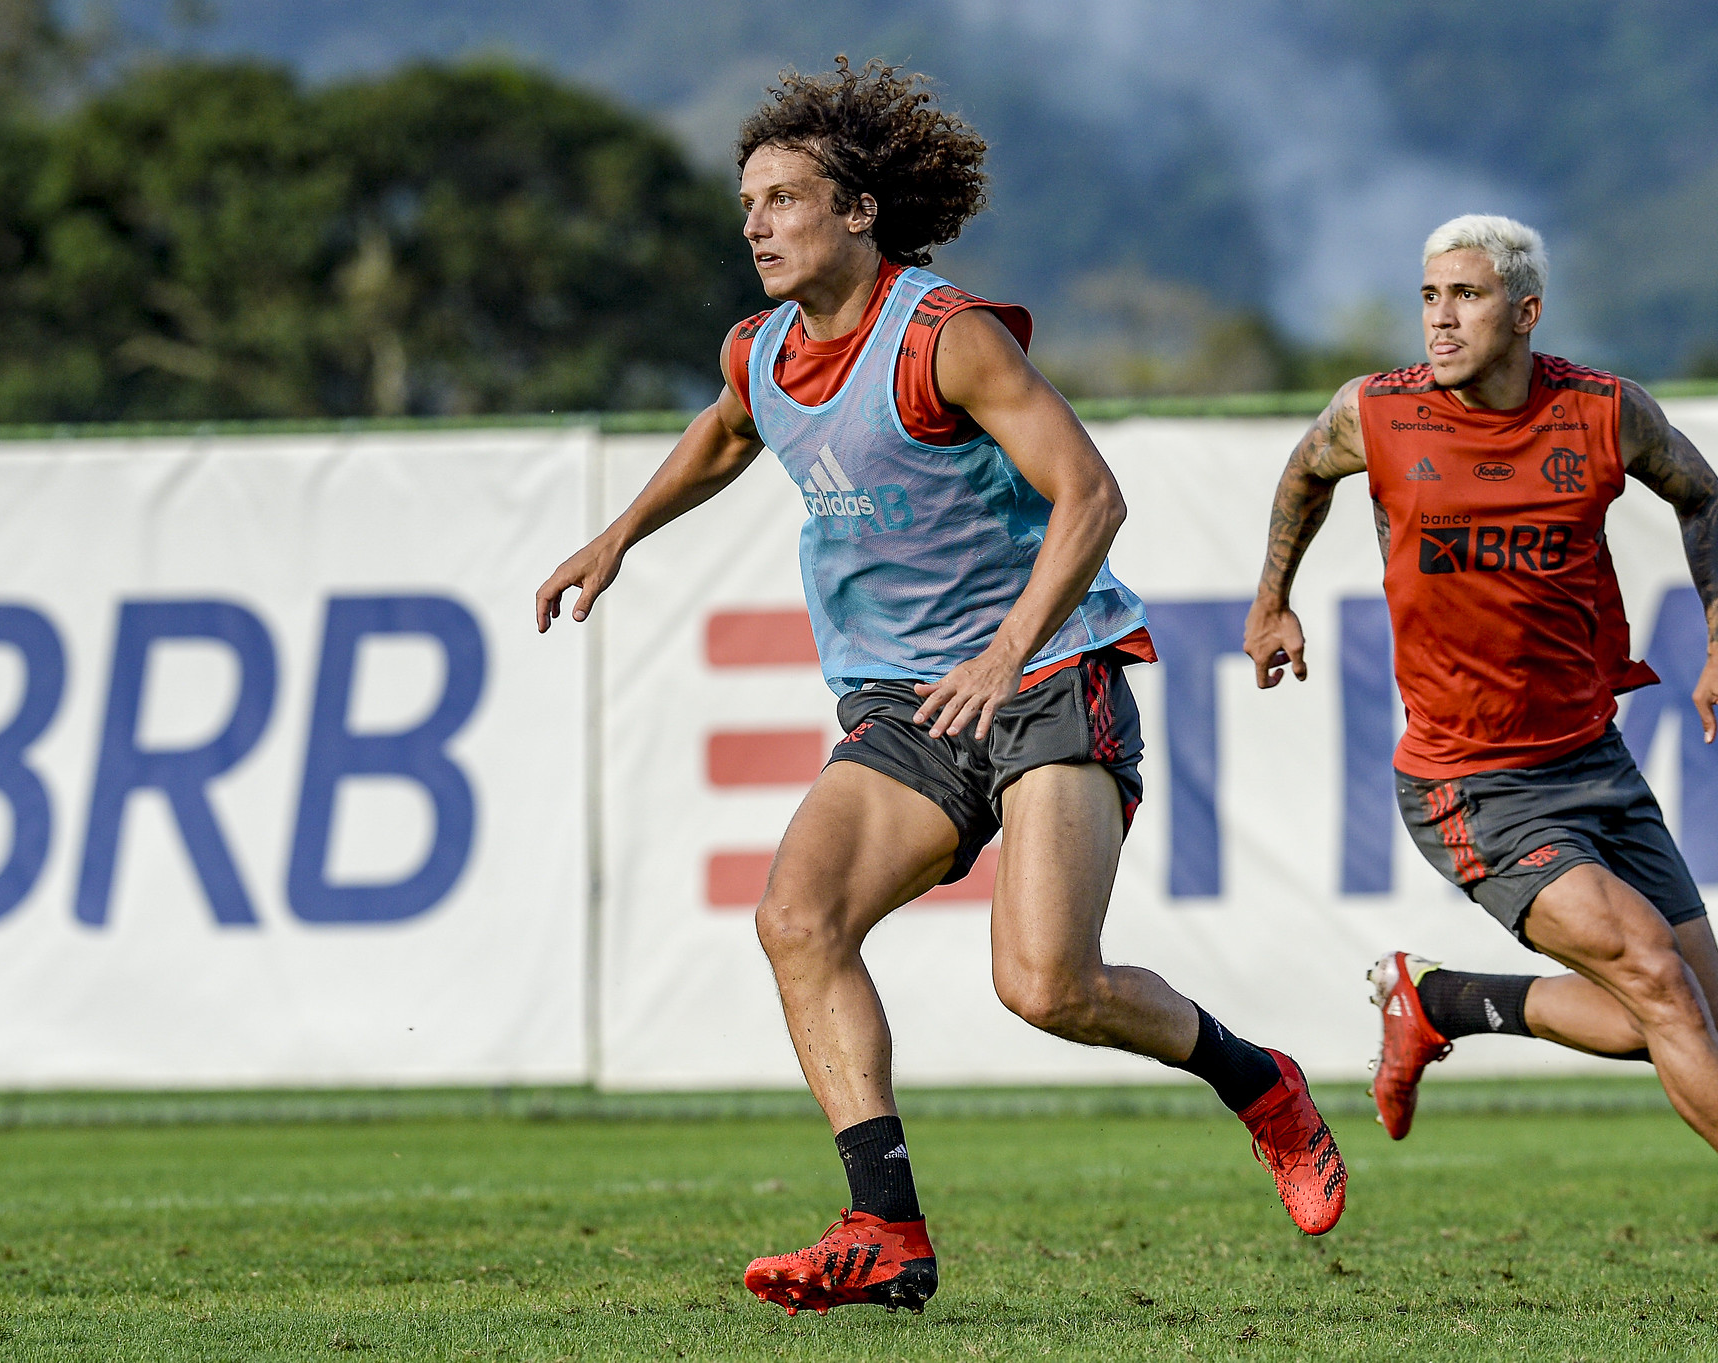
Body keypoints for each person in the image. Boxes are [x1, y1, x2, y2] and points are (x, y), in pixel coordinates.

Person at [536, 57, 1347, 1318]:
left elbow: (1092, 495)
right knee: (797, 922)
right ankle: (886, 1228)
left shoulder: (940, 336)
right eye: (747, 200)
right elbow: (727, 428)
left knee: (1045, 986)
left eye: (786, 198)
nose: (756, 222)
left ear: (858, 211)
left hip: (1043, 677)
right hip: (901, 705)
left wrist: (1009, 648)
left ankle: (1261, 1084)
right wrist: (618, 535)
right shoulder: (758, 350)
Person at [1240, 213, 1718, 1290]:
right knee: (1658, 983)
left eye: (1463, 296)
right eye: (1427, 295)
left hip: (1591, 761)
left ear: (1524, 311)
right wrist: (1272, 599)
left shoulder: (1601, 412)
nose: (1439, 317)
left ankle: (1442, 1001)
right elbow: (1301, 475)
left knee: (1699, 1017)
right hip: (1469, 783)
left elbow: (1701, 493)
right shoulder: (1375, 411)